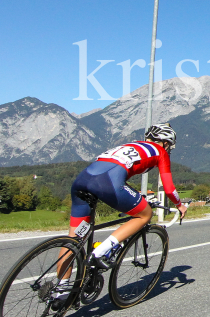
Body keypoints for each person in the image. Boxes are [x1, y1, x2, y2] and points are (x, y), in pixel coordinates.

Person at [53, 123, 189, 303]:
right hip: (108, 183)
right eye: (169, 146)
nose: (169, 149)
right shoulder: (160, 152)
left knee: (75, 238)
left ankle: (59, 291)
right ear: (165, 143)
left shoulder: (130, 146)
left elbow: (116, 168)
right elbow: (169, 188)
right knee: (145, 214)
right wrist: (180, 205)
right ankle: (100, 252)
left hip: (82, 180)